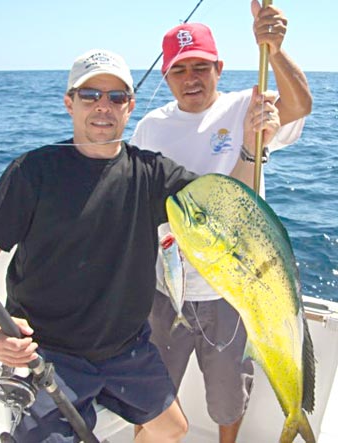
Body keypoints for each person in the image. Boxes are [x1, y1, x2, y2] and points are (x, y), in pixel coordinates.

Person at [0, 48, 201, 443]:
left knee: (172, 428)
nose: (104, 106)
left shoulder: (153, 174)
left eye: (116, 97)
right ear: (69, 103)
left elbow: (217, 202)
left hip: (128, 349)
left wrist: (255, 142)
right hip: (46, 352)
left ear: (130, 106)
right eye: (90, 95)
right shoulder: (32, 171)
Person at [130, 1, 312, 442]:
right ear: (166, 76)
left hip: (234, 291)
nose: (191, 78)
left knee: (229, 397)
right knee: (152, 397)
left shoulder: (247, 106)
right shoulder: (150, 128)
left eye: (201, 67)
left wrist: (275, 47)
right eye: (180, 70)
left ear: (219, 68)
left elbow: (300, 104)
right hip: (165, 289)